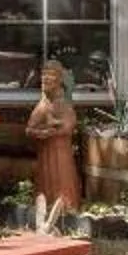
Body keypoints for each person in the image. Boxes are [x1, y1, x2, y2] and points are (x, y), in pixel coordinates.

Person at [25, 58, 82, 224]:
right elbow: (29, 129)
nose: (45, 79)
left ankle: (67, 209)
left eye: (50, 75)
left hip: (62, 151)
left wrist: (55, 131)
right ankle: (46, 210)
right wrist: (41, 133)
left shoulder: (64, 104)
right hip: (46, 152)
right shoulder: (42, 106)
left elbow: (69, 125)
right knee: (46, 180)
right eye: (44, 75)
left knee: (63, 178)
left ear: (59, 80)